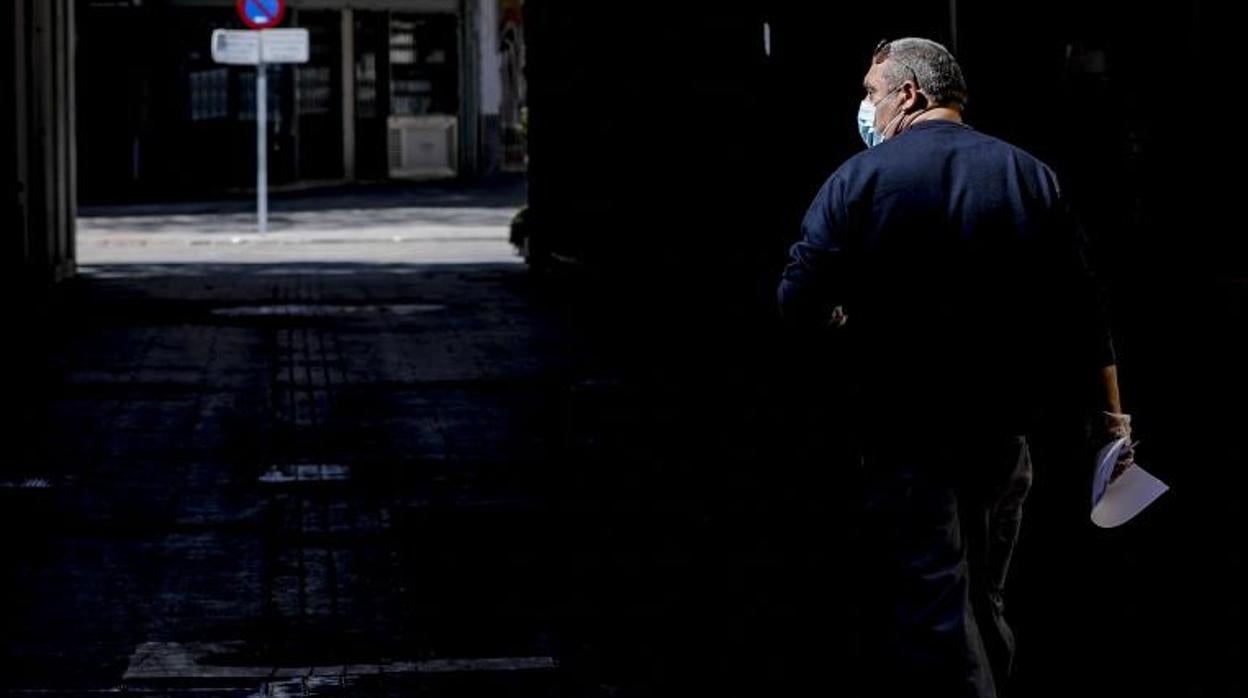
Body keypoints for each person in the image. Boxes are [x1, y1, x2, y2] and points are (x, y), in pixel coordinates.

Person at [776, 38, 1134, 697]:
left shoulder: (858, 181)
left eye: (869, 91)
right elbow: (1086, 313)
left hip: (905, 437)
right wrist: (1113, 422)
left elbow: (797, 302)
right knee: (986, 596)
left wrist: (847, 329)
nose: (865, 107)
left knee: (934, 601)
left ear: (907, 94)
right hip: (1002, 436)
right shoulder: (1031, 175)